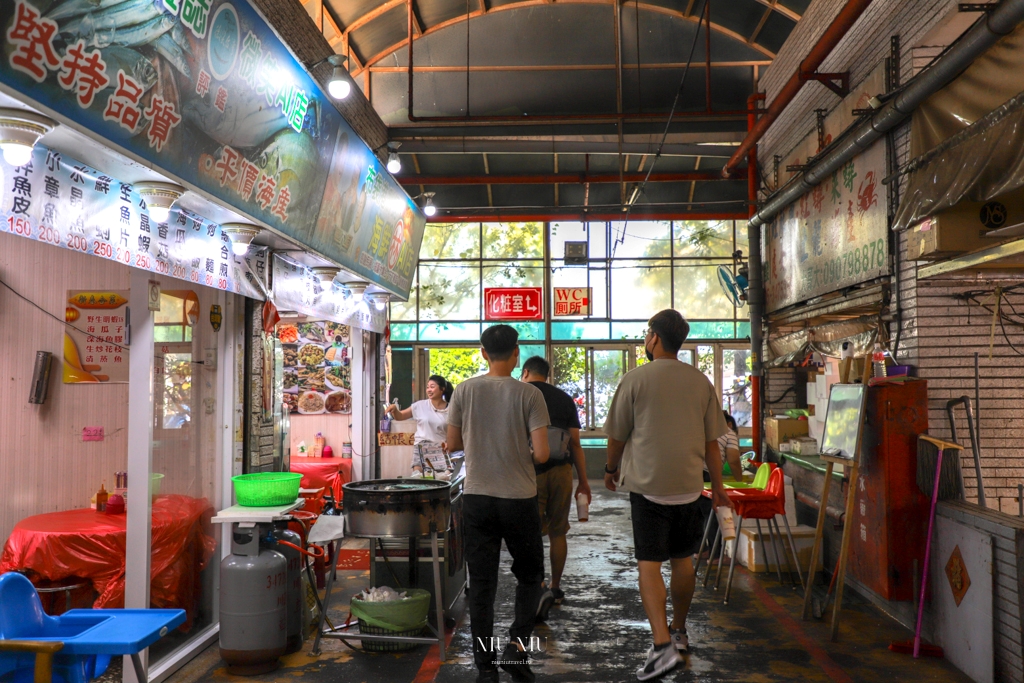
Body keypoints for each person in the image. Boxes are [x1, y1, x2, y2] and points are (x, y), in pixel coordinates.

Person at [603, 309, 732, 681]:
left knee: (648, 563)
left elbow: (617, 436)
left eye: (647, 334)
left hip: (648, 487)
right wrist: (718, 488)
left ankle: (661, 645)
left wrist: (610, 470)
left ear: (654, 337)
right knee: (683, 560)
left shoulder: (635, 379)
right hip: (690, 487)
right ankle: (679, 631)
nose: (646, 339)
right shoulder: (700, 382)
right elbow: (713, 444)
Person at [447, 325, 551, 683]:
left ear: (482, 352)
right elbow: (542, 452)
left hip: (477, 498)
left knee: (482, 583)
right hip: (519, 499)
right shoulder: (530, 395)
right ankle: (516, 651)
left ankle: (484, 666)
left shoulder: (464, 390)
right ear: (516, 353)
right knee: (530, 577)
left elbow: (452, 445)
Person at [519, 355, 590, 615]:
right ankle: (556, 586)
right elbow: (575, 443)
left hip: (530, 472)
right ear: (547, 374)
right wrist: (583, 481)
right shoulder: (563, 398)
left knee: (532, 532)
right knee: (558, 531)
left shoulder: (521, 394)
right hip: (562, 471)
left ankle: (538, 587)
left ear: (526, 372)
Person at [385, 375, 453, 476]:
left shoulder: (451, 409)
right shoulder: (420, 405)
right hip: (421, 446)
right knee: (417, 476)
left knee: (440, 479)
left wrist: (450, 443)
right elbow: (400, 416)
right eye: (427, 387)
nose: (429, 390)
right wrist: (395, 410)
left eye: (432, 387)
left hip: (440, 449)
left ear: (442, 389)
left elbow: (455, 431)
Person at [719, 412, 744, 483]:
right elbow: (734, 461)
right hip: (707, 472)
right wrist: (740, 481)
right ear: (730, 424)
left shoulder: (702, 428)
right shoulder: (728, 432)